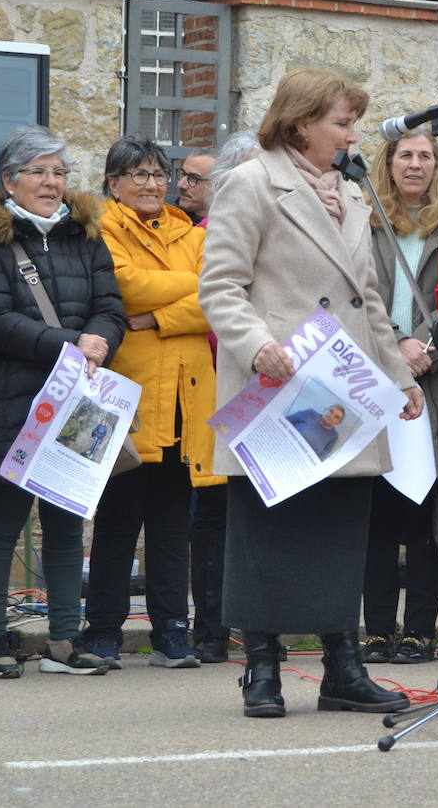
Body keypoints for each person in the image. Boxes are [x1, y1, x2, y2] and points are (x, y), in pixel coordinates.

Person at [200, 66, 422, 719]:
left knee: (338, 533)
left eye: (353, 121)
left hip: (341, 398)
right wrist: (256, 345)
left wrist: (400, 377)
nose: (353, 134)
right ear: (301, 122)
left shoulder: (354, 196)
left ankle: (342, 669)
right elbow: (219, 288)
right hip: (279, 387)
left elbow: (370, 301)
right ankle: (262, 670)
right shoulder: (251, 184)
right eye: (343, 122)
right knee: (266, 533)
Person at [0, 124, 125, 678]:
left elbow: (111, 305)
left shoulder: (87, 236)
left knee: (64, 525)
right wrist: (70, 343)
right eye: (38, 171)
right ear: (10, 180)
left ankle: (63, 639)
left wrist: (102, 339)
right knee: (0, 526)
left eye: (58, 171)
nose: (51, 182)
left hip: (75, 404)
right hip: (12, 401)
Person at [83, 136, 224, 671]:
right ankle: (102, 632)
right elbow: (124, 287)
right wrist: (188, 288)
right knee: (118, 522)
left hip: (186, 398)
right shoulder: (103, 229)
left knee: (171, 527)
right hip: (130, 394)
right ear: (113, 183)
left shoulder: (188, 230)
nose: (151, 185)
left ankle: (171, 631)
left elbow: (217, 298)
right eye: (137, 175)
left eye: (157, 175)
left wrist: (158, 318)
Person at [360, 127, 438, 666]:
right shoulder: (363, 222)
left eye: (426, 155)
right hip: (375, 380)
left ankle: (419, 630)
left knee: (434, 509)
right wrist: (395, 346)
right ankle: (379, 629)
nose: (416, 164)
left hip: (436, 381)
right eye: (405, 154)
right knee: (378, 513)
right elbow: (356, 297)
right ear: (389, 162)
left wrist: (424, 346)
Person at [188, 131, 259, 662]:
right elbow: (207, 312)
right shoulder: (211, 233)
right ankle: (211, 628)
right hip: (222, 388)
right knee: (215, 516)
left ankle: (243, 626)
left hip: (261, 390)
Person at [285, 404, 349, 458]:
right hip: (285, 445)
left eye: (336, 417)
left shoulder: (334, 436)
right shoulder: (310, 413)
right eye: (331, 411)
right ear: (325, 410)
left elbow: (321, 457)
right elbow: (285, 421)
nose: (332, 416)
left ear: (338, 423)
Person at [174, 148, 215, 223]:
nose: (180, 185)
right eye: (182, 174)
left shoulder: (233, 228)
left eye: (193, 178)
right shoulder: (168, 223)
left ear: (216, 184)